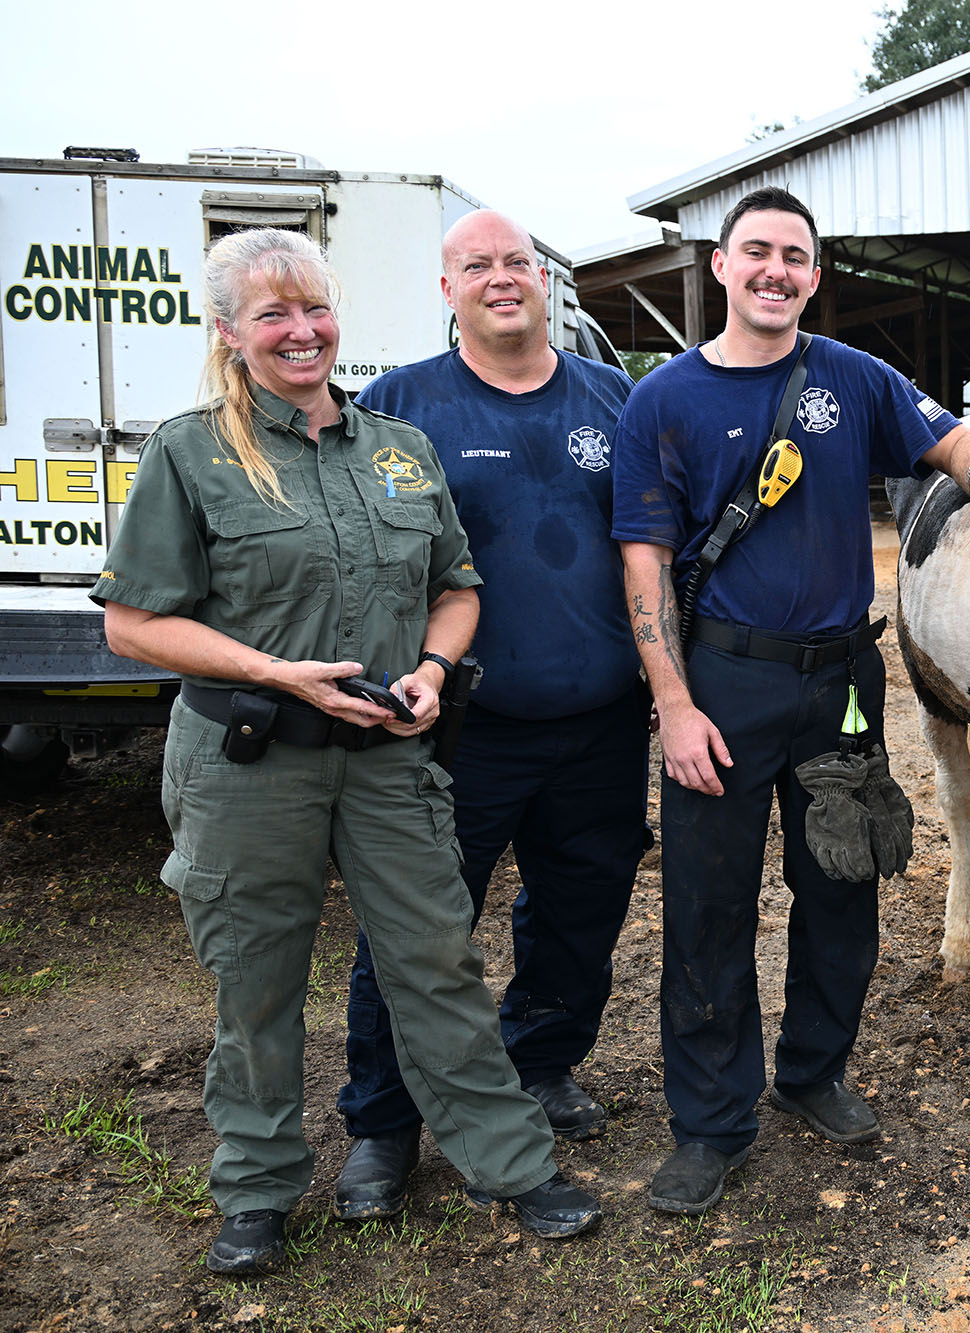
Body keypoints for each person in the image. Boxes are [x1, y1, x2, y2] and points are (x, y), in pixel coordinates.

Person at [92, 229, 600, 1276]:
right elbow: (134, 623)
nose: (300, 331)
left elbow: (458, 586)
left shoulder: (394, 448)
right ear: (230, 334)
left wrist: (427, 668)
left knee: (437, 962)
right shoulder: (192, 452)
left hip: (385, 757)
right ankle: (258, 1189)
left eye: (313, 309)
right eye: (271, 315)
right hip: (248, 759)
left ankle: (508, 1161)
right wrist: (274, 672)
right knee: (258, 983)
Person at [612, 186, 970, 1217]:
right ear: (720, 265)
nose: (775, 271)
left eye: (794, 257)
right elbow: (643, 560)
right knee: (708, 907)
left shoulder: (856, 379)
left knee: (842, 882)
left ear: (813, 273)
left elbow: (950, 436)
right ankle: (711, 1124)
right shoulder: (661, 400)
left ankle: (812, 1072)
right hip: (721, 678)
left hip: (840, 682)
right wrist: (671, 702)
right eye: (755, 252)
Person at [328, 211, 650, 1220]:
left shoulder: (612, 397)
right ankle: (383, 1123)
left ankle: (542, 1061)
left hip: (601, 720)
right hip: (457, 725)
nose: (501, 278)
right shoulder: (400, 406)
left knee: (580, 910)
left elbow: (650, 545)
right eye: (479, 265)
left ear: (544, 282)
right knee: (416, 927)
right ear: (447, 287)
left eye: (517, 263)